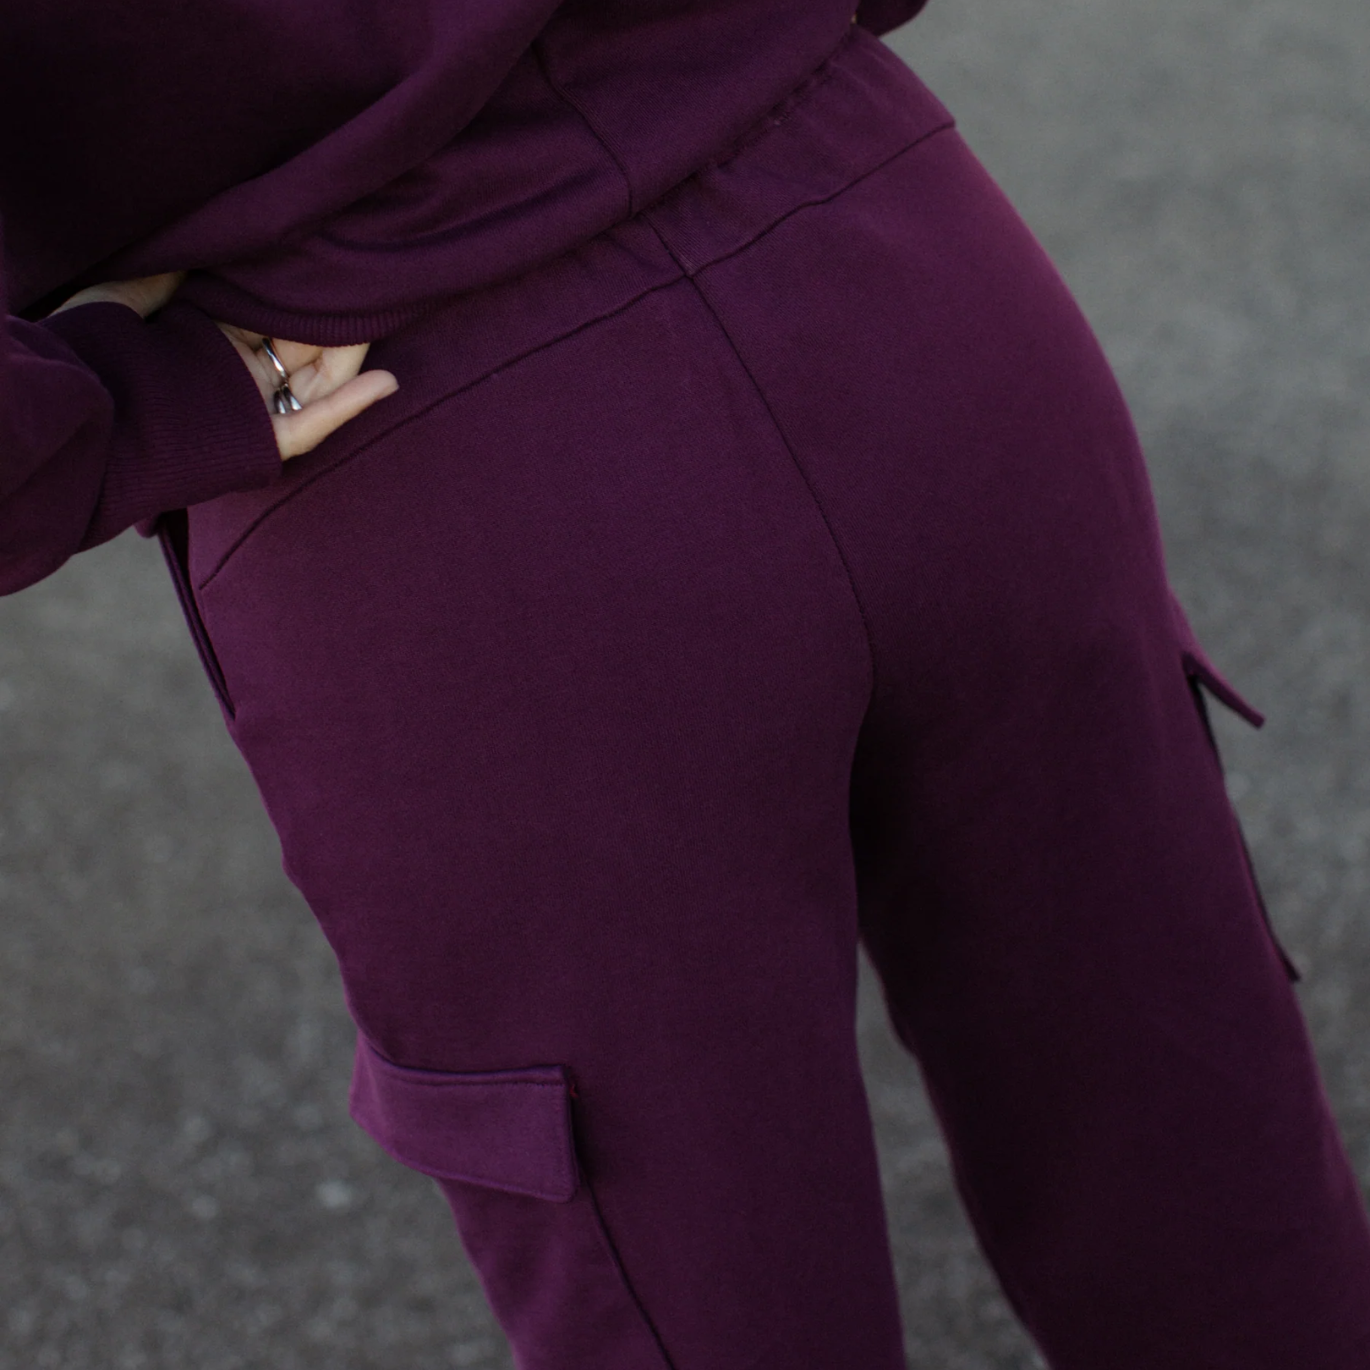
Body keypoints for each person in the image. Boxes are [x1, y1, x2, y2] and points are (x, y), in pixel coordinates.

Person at [4, 2, 1370, 1366]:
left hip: (431, 500)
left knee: (708, 1296)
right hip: (897, 267)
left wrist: (148, 409)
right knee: (1208, 1182)